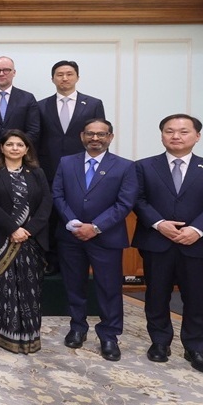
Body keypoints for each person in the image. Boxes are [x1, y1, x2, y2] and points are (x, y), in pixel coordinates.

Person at [132, 114, 203, 375]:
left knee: (196, 298)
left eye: (183, 131)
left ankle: (195, 348)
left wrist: (196, 230)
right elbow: (138, 200)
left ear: (197, 136)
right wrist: (159, 223)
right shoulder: (144, 166)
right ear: (162, 135)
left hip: (197, 245)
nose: (176, 136)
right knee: (156, 295)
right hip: (157, 241)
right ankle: (160, 343)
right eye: (169, 131)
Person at [51, 118, 138, 361]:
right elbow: (57, 194)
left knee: (109, 288)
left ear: (110, 137)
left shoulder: (125, 166)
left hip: (106, 238)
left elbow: (125, 203)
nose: (95, 138)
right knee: (74, 285)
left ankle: (109, 335)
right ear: (82, 136)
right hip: (71, 235)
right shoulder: (67, 163)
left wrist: (96, 227)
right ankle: (77, 327)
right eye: (90, 134)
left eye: (101, 134)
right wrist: (72, 222)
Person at [0, 129, 51, 354]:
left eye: (19, 144)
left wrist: (27, 230)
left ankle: (28, 337)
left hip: (30, 240)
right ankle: (1, 334)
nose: (15, 148)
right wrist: (12, 229)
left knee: (29, 290)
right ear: (2, 148)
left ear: (27, 149)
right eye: (10, 144)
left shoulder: (36, 173)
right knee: (1, 289)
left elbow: (46, 203)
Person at [36, 60, 107, 184]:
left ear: (77, 77)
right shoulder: (40, 105)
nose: (64, 78)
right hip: (48, 165)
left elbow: (102, 135)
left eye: (69, 74)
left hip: (83, 164)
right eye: (59, 75)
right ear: (52, 79)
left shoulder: (93, 104)